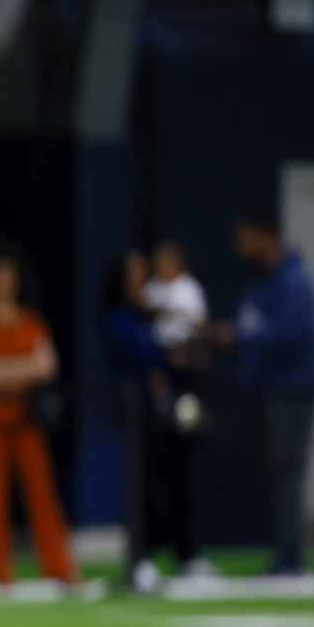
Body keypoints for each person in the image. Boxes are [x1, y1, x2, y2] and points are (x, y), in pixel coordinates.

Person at [210, 213, 314, 576]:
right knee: (281, 474)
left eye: (245, 238)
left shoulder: (293, 282)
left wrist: (241, 338)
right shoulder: (262, 283)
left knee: (288, 471)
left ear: (265, 237)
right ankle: (285, 555)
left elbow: (290, 336)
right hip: (273, 389)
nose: (240, 247)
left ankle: (291, 559)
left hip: (294, 390)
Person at [103, 250, 213, 592]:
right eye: (133, 277)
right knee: (145, 490)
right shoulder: (121, 321)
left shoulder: (152, 318)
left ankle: (186, 556)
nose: (141, 284)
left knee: (177, 480)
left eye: (143, 276)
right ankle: (141, 559)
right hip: (139, 416)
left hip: (166, 411)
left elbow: (178, 353)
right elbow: (144, 362)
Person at [0, 251, 76, 585]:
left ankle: (59, 566)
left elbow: (50, 365)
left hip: (26, 418)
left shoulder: (30, 321)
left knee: (42, 493)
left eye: (9, 275)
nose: (4, 282)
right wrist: (27, 369)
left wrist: (6, 371)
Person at [142, 241, 208, 352]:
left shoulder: (190, 286)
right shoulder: (152, 286)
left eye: (167, 261)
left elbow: (202, 323)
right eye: (160, 261)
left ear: (177, 262)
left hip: (185, 349)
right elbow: (143, 312)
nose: (163, 265)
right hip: (156, 349)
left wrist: (177, 314)